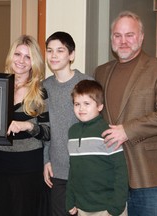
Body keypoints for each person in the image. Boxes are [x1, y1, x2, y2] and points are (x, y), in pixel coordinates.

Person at [94, 11, 157, 216]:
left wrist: (128, 130)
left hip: (150, 176)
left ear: (141, 37)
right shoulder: (101, 72)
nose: (123, 41)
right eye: (117, 35)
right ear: (111, 39)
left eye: (129, 35)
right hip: (111, 177)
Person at [0, 35, 50, 216]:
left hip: (27, 166)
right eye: (18, 54)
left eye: (27, 57)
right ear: (10, 56)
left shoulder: (39, 92)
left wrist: (28, 126)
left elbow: (47, 132)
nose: (21, 60)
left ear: (33, 62)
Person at [43, 31, 93, 216]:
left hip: (85, 171)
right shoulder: (44, 87)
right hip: (58, 171)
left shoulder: (87, 83)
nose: (54, 55)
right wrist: (45, 160)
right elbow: (44, 129)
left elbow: (95, 128)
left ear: (71, 55)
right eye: (49, 50)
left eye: (60, 50)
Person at [66, 80, 128, 216]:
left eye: (87, 103)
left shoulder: (108, 132)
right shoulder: (73, 132)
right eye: (77, 104)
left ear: (100, 106)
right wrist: (70, 199)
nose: (81, 108)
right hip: (82, 207)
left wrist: (116, 206)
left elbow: (121, 171)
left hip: (108, 208)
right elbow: (73, 169)